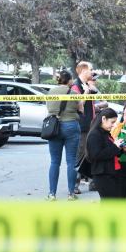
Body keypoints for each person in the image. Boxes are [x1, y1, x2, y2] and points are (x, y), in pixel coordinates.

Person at [45, 70, 83, 201]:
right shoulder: (74, 93)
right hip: (71, 126)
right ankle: (71, 194)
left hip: (54, 127)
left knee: (54, 161)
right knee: (71, 160)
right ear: (70, 80)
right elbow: (81, 110)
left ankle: (52, 194)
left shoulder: (50, 92)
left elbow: (49, 109)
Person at [70, 61, 99, 192]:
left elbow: (92, 104)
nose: (92, 72)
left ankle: (93, 183)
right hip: (82, 126)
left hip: (91, 125)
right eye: (90, 69)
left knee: (91, 154)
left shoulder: (87, 85)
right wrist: (86, 93)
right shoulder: (76, 86)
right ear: (83, 71)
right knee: (79, 155)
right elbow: (78, 105)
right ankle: (74, 185)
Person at [84, 108, 125, 199]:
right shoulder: (95, 134)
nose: (114, 125)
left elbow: (112, 152)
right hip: (103, 175)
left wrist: (120, 147)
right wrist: (115, 146)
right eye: (112, 122)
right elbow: (96, 155)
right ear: (103, 119)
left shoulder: (105, 133)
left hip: (112, 173)